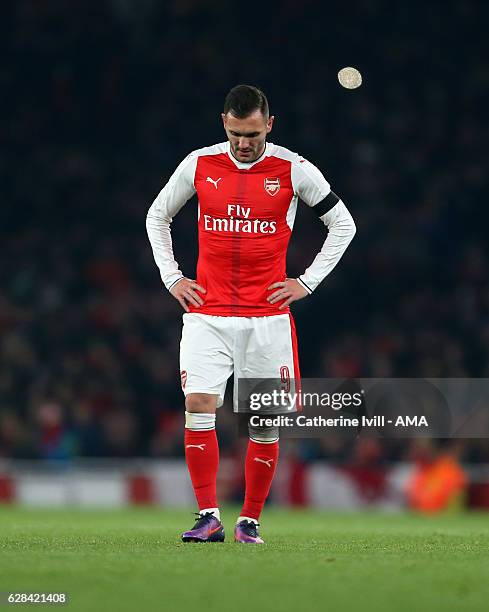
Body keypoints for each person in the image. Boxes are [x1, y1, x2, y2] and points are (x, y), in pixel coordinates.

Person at [146, 84, 356, 543]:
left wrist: (306, 281)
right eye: (238, 133)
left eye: (254, 134)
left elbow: (344, 224)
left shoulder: (293, 169)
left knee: (262, 422)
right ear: (225, 122)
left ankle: (249, 520)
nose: (245, 143)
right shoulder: (199, 164)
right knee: (198, 405)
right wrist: (172, 277)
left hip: (267, 317)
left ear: (270, 126)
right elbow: (157, 215)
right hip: (208, 312)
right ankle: (208, 515)